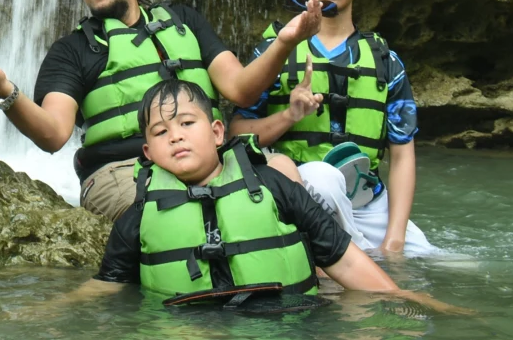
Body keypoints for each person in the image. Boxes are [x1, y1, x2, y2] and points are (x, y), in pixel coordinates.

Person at [0, 0, 322, 219]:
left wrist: (285, 42)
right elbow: (53, 135)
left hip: (209, 157)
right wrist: (3, 89)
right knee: (182, 210)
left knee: (283, 169)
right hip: (122, 172)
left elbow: (241, 90)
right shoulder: (73, 50)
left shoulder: (185, 22)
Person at [68, 78, 400, 308]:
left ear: (216, 132)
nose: (175, 136)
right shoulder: (138, 217)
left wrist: (407, 301)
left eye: (186, 123)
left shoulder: (272, 184)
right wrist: (52, 308)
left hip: (284, 324)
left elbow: (344, 259)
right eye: (160, 131)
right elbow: (107, 285)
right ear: (148, 152)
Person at [230, 0, 432, 257]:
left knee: (437, 263)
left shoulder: (386, 61)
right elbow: (235, 136)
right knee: (324, 178)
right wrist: (289, 116)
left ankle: (363, 251)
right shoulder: (274, 51)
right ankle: (348, 258)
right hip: (302, 193)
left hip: (366, 203)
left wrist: (394, 240)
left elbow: (402, 155)